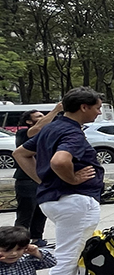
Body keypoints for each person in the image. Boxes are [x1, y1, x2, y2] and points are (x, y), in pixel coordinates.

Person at [12, 87, 107, 275]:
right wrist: (72, 179)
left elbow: (20, 153)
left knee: (75, 248)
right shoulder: (71, 133)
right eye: (97, 107)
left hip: (54, 200)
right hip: (75, 200)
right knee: (66, 255)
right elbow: (60, 160)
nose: (98, 112)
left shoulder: (52, 127)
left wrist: (44, 181)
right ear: (83, 107)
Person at [13, 105, 61, 247]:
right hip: (26, 180)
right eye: (38, 116)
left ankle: (37, 239)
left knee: (42, 210)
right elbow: (37, 129)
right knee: (26, 213)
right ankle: (17, 242)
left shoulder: (45, 134)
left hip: (42, 177)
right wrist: (56, 110)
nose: (43, 118)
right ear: (28, 121)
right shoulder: (23, 133)